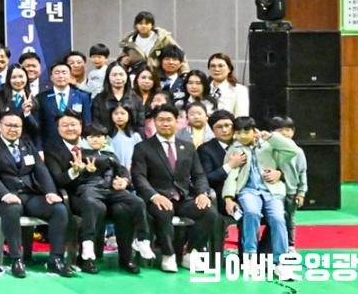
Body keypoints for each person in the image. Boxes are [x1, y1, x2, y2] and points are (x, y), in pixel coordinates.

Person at [47, 119, 154, 273]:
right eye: (92, 137)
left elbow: (122, 170)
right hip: (87, 193)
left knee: (134, 203)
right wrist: (81, 171)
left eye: (99, 136)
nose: (96, 139)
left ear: (105, 139)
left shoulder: (110, 154)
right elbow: (66, 178)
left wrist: (124, 180)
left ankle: (139, 244)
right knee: (92, 204)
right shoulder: (79, 154)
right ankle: (87, 249)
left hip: (111, 193)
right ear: (85, 139)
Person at [0, 110, 72, 277]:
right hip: (7, 197)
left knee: (59, 209)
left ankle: (56, 259)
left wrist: (50, 192)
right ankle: (16, 259)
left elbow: (41, 170)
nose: (13, 129)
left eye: (17, 126)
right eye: (9, 125)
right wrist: (5, 194)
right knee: (12, 210)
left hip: (30, 195)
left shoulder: (27, 145)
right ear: (0, 127)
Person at [131, 106, 217, 272]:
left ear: (177, 122)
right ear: (154, 122)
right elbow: (138, 177)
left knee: (209, 212)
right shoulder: (142, 147)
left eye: (169, 120)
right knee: (164, 211)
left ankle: (190, 253)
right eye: (161, 120)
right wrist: (154, 196)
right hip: (158, 198)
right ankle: (168, 255)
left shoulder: (188, 147)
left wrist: (202, 193)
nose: (165, 123)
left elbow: (199, 175)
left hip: (183, 198)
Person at [222, 116, 300, 264]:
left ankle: (280, 260)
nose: (242, 136)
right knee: (251, 213)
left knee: (278, 218)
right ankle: (250, 255)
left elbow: (292, 150)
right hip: (247, 191)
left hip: (272, 191)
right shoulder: (234, 149)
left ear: (254, 131)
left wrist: (271, 137)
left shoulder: (268, 145)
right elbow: (231, 176)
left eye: (246, 132)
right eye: (238, 133)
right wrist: (228, 198)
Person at [268, 115, 307, 252]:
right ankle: (271, 245)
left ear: (293, 131)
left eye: (288, 130)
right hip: (273, 191)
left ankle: (290, 245)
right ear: (272, 133)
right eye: (279, 130)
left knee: (289, 219)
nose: (284, 133)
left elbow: (302, 172)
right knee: (275, 218)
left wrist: (301, 192)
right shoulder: (269, 149)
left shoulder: (298, 151)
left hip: (291, 191)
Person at [36, 63, 92, 144]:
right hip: (50, 144)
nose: (61, 76)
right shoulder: (41, 97)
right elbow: (39, 124)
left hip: (75, 143)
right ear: (51, 77)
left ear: (70, 76)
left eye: (64, 72)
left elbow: (87, 122)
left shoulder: (82, 96)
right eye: (57, 73)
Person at [0, 64, 41, 140]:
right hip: (1, 142)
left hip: (24, 143)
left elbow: (35, 129)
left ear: (26, 78)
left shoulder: (33, 100)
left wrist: (27, 113)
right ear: (8, 79)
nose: (18, 81)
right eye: (14, 77)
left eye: (21, 77)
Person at [91, 62, 138, 130]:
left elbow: (140, 125)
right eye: (114, 75)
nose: (118, 78)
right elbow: (96, 123)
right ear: (108, 77)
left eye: (121, 74)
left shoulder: (135, 98)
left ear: (127, 76)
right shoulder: (99, 99)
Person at [206, 53, 250, 118]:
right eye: (213, 66)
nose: (216, 69)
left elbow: (241, 118)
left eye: (220, 66)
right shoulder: (202, 89)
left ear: (229, 69)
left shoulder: (240, 90)